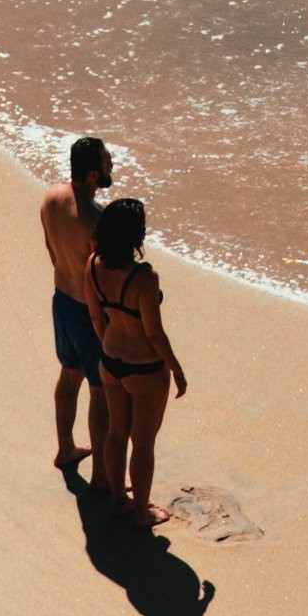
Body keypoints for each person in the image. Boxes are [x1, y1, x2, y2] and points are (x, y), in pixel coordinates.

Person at [81, 190, 187, 524]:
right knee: (142, 444)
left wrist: (106, 345)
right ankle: (142, 513)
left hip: (110, 360)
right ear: (134, 235)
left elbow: (97, 317)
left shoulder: (93, 264)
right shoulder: (144, 278)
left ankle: (118, 501)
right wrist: (177, 369)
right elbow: (154, 333)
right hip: (144, 369)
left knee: (116, 433)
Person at [37, 135, 117, 477]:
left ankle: (66, 449)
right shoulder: (97, 220)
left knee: (69, 377)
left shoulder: (51, 199)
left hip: (62, 303)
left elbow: (53, 252)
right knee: (100, 393)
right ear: (94, 176)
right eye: (106, 159)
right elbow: (105, 278)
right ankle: (101, 473)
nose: (111, 162)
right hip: (88, 314)